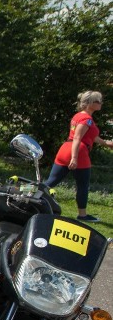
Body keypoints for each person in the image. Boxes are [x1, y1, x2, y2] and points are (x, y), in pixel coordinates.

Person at [44, 91, 113, 222]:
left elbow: (91, 137)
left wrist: (106, 143)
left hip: (65, 149)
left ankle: (30, 198)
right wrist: (74, 158)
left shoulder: (78, 116)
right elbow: (77, 138)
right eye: (98, 101)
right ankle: (82, 215)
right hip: (78, 152)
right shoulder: (87, 119)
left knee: (50, 182)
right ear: (90, 104)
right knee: (82, 185)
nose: (101, 103)